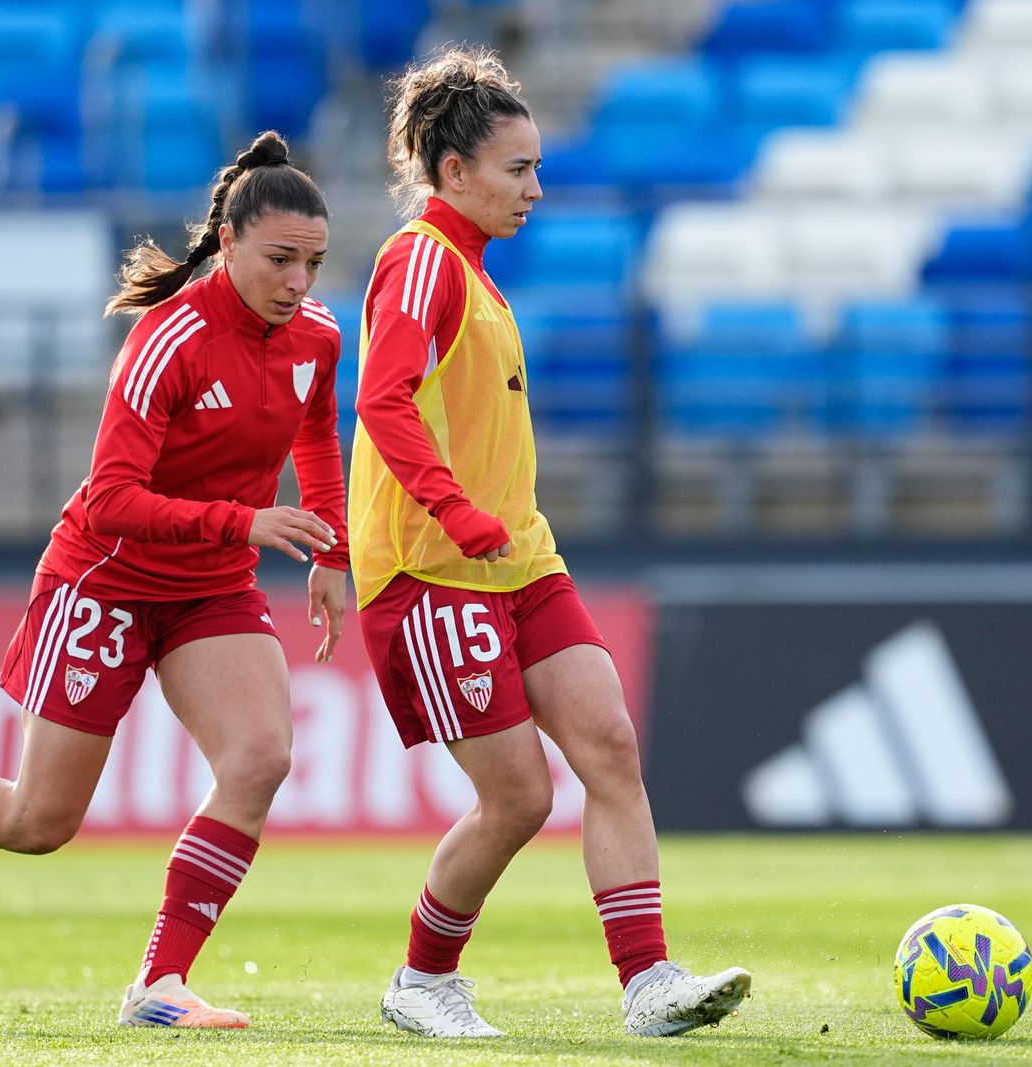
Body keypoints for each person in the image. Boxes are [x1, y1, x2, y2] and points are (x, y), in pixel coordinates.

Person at [350, 47, 749, 1039]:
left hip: (519, 559)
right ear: (454, 173)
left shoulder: (475, 279)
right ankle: (421, 980)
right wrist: (456, 511)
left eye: (536, 165)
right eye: (518, 168)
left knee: (611, 747)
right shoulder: (420, 261)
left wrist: (497, 523)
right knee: (520, 794)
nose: (537, 185)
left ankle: (648, 981)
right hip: (432, 569)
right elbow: (381, 400)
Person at [0, 131, 349, 1029]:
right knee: (37, 822)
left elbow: (316, 433)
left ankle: (159, 983)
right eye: (281, 260)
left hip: (209, 587)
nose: (299, 282)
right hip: (104, 580)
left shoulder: (319, 334)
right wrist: (244, 520)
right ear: (228, 243)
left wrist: (331, 549)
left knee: (261, 756)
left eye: (314, 263)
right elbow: (111, 499)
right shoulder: (168, 339)